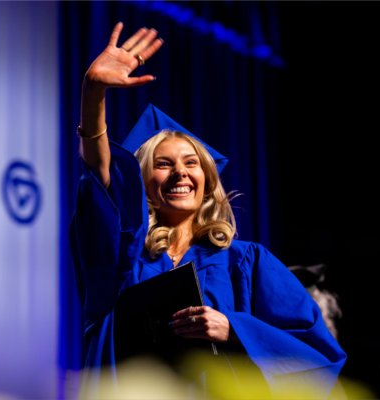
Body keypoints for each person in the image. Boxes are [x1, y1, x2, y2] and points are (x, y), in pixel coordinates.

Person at [70, 22, 347, 398]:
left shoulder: (245, 262)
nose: (180, 172)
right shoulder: (122, 256)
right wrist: (94, 90)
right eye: (164, 164)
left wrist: (235, 328)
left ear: (207, 181)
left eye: (191, 163)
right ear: (140, 182)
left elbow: (317, 356)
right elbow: (101, 177)